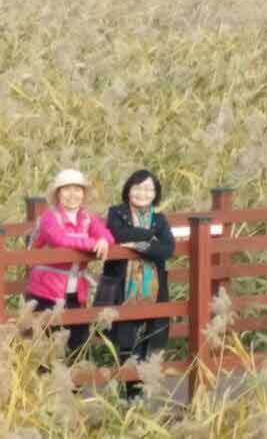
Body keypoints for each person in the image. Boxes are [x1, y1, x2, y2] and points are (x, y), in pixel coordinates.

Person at [24, 169, 114, 359]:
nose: (72, 195)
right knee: (47, 347)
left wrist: (103, 240)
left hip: (75, 292)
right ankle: (49, 378)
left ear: (84, 193)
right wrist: (93, 244)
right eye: (66, 189)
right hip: (45, 291)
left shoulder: (87, 217)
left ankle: (74, 378)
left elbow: (107, 236)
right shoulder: (49, 217)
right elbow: (60, 240)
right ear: (58, 193)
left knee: (78, 342)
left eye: (77, 189)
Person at [103, 169, 175, 399]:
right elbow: (118, 234)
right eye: (138, 187)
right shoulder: (117, 213)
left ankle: (139, 393)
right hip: (123, 286)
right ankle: (126, 390)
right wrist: (150, 237)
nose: (143, 193)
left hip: (154, 288)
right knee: (125, 337)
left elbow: (168, 248)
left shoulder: (159, 218)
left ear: (155, 193)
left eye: (148, 189)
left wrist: (137, 244)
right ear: (128, 190)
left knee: (150, 336)